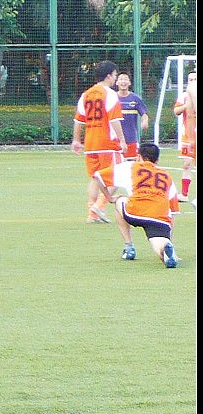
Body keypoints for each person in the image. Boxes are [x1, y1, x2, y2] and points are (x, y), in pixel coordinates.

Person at [94, 142, 180, 268]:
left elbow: (98, 176)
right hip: (159, 216)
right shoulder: (167, 176)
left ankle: (129, 247)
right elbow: (173, 212)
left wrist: (109, 198)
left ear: (139, 156)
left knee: (119, 200)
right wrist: (169, 238)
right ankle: (165, 249)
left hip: (135, 211)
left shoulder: (131, 166)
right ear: (157, 160)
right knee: (159, 242)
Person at [71, 60, 128, 224]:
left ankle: (92, 213)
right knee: (118, 175)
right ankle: (99, 206)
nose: (116, 78)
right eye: (115, 75)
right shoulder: (110, 94)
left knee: (96, 178)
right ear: (109, 76)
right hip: (107, 143)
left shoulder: (86, 94)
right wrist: (122, 141)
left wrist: (76, 140)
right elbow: (114, 120)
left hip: (90, 143)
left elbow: (79, 120)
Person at [172, 70, 196, 205]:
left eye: (195, 79)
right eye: (190, 80)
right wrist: (187, 105)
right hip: (188, 135)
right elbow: (176, 111)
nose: (192, 82)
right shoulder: (184, 96)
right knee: (187, 164)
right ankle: (184, 194)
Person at [115, 72, 149, 160]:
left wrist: (145, 121)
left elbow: (144, 114)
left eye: (125, 79)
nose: (123, 81)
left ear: (129, 82)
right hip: (114, 140)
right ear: (117, 82)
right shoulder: (112, 98)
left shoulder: (135, 98)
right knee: (115, 165)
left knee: (131, 164)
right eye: (121, 79)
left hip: (131, 139)